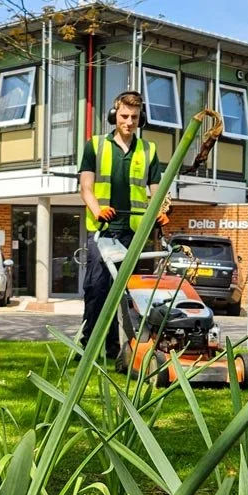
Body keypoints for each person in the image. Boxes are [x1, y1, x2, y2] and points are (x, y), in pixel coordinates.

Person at [77, 90, 168, 361]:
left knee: (126, 294)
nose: (129, 122)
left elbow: (158, 190)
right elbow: (85, 188)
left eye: (135, 117)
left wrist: (162, 211)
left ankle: (121, 351)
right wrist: (98, 210)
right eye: (124, 116)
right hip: (102, 230)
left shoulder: (148, 150)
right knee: (96, 289)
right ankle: (87, 348)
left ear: (141, 120)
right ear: (114, 115)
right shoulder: (94, 145)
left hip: (134, 233)